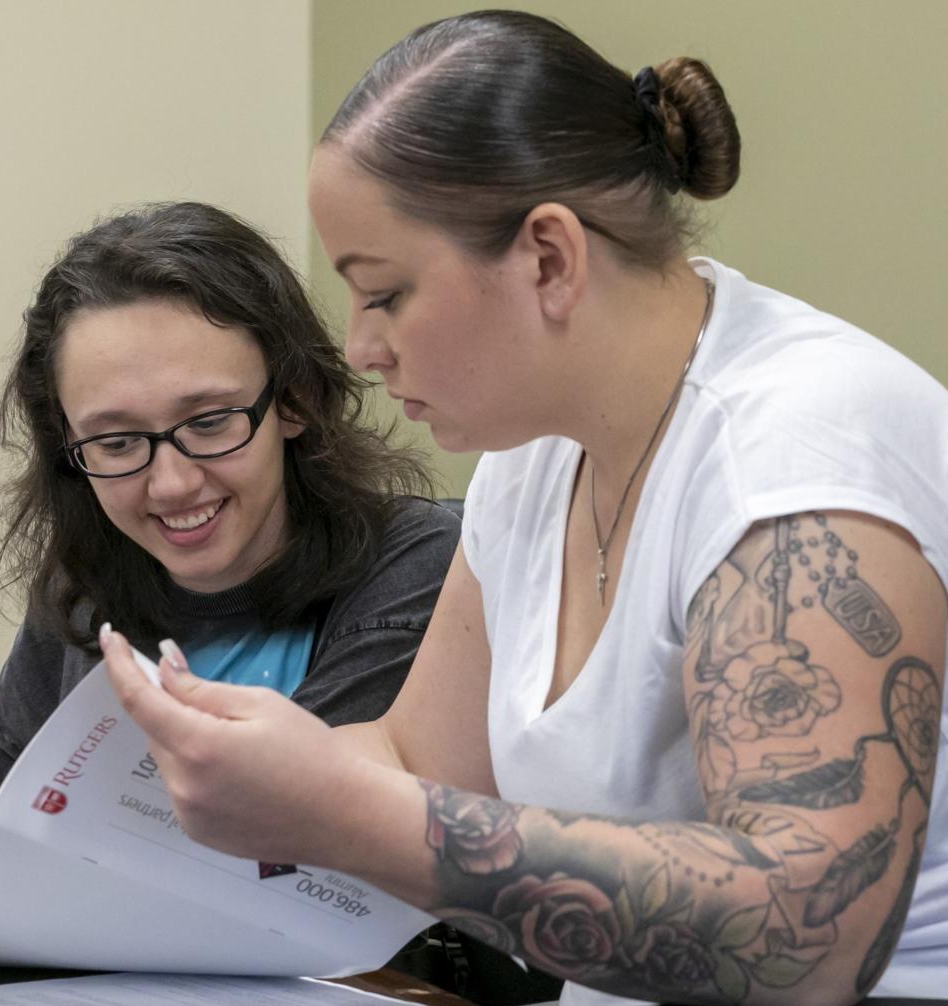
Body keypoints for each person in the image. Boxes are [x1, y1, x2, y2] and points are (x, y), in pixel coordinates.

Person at [102, 11, 947, 1006]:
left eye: (384, 293)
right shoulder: (538, 451)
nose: (362, 348)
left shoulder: (795, 463)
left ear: (548, 257)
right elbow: (417, 757)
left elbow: (805, 938)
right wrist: (179, 789)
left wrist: (342, 815)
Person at [0, 202, 460, 879]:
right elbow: (6, 761)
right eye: (118, 441)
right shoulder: (96, 565)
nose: (171, 484)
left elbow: (286, 838)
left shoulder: (415, 566)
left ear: (294, 401)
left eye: (211, 422)